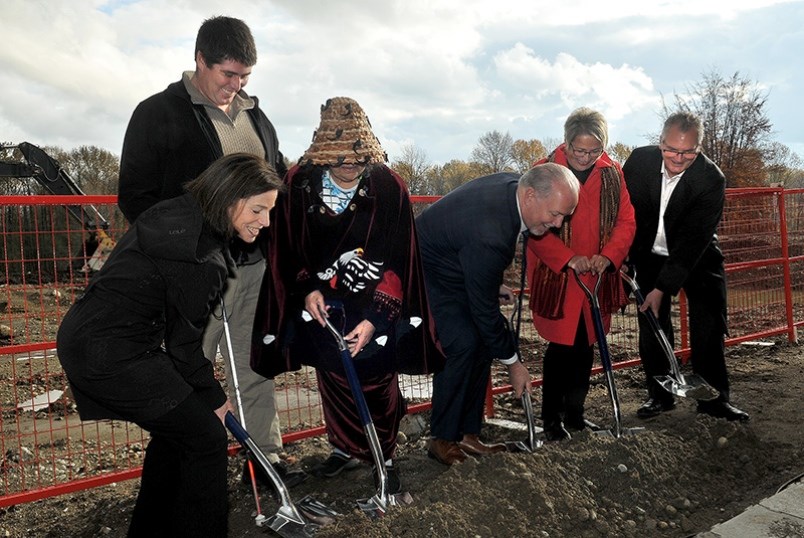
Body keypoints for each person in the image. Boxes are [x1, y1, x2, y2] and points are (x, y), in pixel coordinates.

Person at [116, 16, 305, 489]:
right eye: (227, 74)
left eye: (244, 77)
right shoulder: (157, 113)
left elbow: (273, 185)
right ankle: (184, 468)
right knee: (185, 373)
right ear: (199, 59)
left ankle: (264, 463)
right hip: (192, 275)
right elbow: (134, 196)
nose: (235, 86)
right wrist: (180, 253)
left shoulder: (256, 118)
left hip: (253, 270)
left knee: (252, 368)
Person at [56, 154, 284, 537]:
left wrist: (205, 396)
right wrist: (215, 397)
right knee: (206, 440)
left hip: (87, 334)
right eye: (258, 210)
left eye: (269, 211)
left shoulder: (176, 213)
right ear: (229, 197)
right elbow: (183, 346)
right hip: (113, 352)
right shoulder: (201, 257)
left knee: (177, 432)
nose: (265, 222)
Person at [251, 97, 443, 494]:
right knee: (332, 373)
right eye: (339, 160)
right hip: (320, 300)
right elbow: (287, 245)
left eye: (356, 159)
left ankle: (383, 456)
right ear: (323, 155)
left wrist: (377, 318)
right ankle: (345, 448)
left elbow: (398, 257)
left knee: (375, 378)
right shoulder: (299, 182)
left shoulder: (389, 187)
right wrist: (305, 290)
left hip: (375, 301)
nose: (349, 167)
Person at [417, 163, 581, 465]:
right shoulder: (492, 232)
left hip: (454, 261)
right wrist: (514, 363)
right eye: (555, 214)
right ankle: (441, 438)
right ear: (530, 196)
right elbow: (484, 311)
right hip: (426, 271)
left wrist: (491, 283)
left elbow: (474, 255)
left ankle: (466, 432)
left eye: (563, 216)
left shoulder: (514, 188)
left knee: (481, 341)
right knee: (463, 342)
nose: (557, 224)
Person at [623, 111, 749, 422]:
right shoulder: (638, 162)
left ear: (700, 147)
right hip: (649, 254)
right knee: (653, 325)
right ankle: (660, 396)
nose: (678, 159)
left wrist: (663, 288)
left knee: (708, 326)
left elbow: (694, 241)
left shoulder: (710, 179)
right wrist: (623, 255)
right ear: (660, 141)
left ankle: (715, 401)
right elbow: (624, 213)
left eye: (688, 152)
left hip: (698, 257)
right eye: (671, 150)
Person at [526, 108, 635, 441]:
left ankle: (576, 415)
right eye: (579, 150)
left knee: (586, 347)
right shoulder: (543, 171)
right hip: (559, 277)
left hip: (596, 276)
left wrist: (609, 256)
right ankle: (551, 420)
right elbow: (533, 227)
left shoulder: (613, 172)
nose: (586, 157)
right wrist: (567, 258)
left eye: (594, 151)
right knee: (561, 348)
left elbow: (626, 222)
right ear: (566, 142)